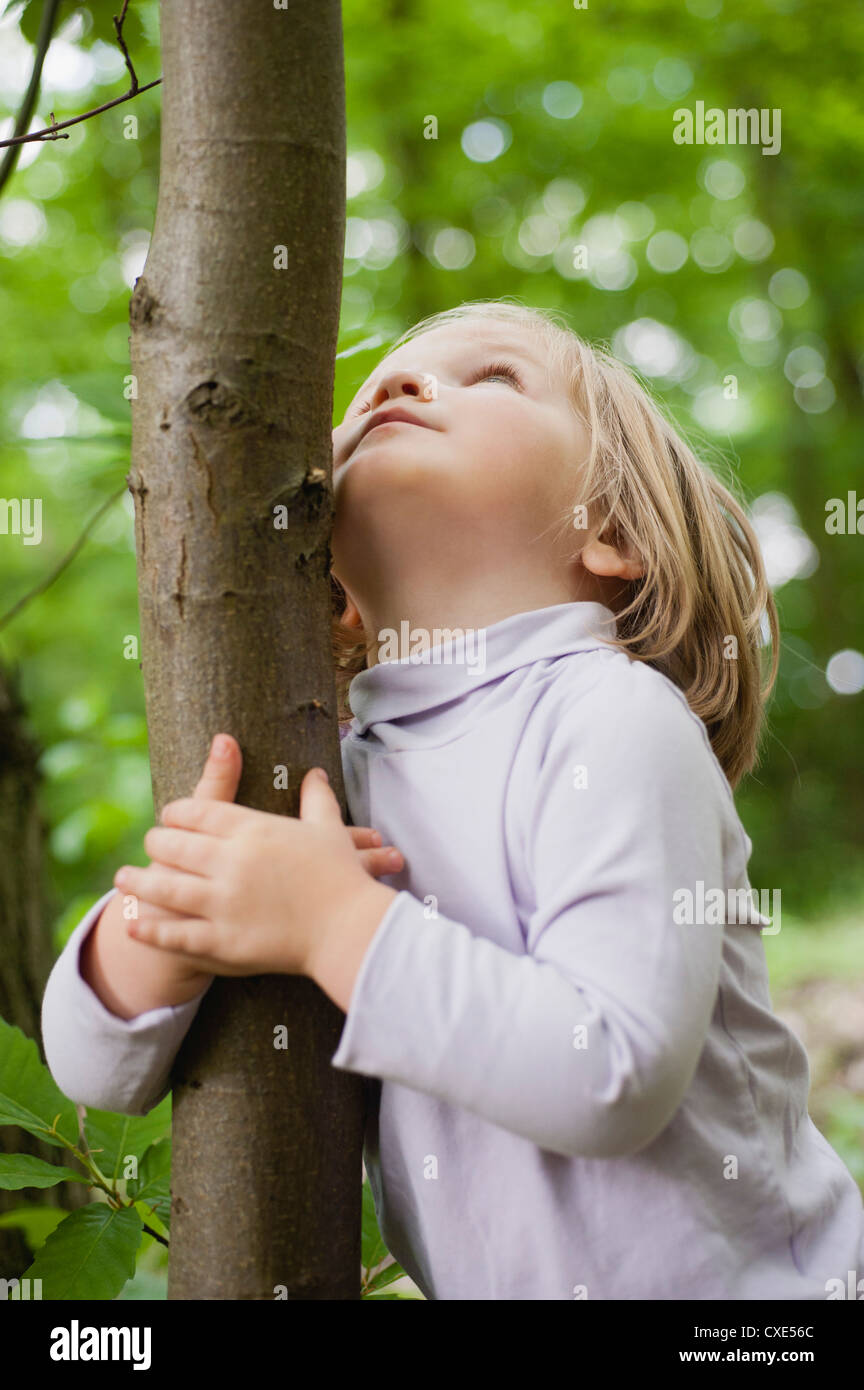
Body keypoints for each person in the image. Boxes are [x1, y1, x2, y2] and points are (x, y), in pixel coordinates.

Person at [41, 299, 864, 1300]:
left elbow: (610, 1072)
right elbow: (94, 1068)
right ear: (330, 579)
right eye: (368, 390)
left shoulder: (610, 717)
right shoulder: (324, 771)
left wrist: (332, 922)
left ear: (609, 532)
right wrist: (169, 927)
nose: (393, 383)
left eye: (495, 377)